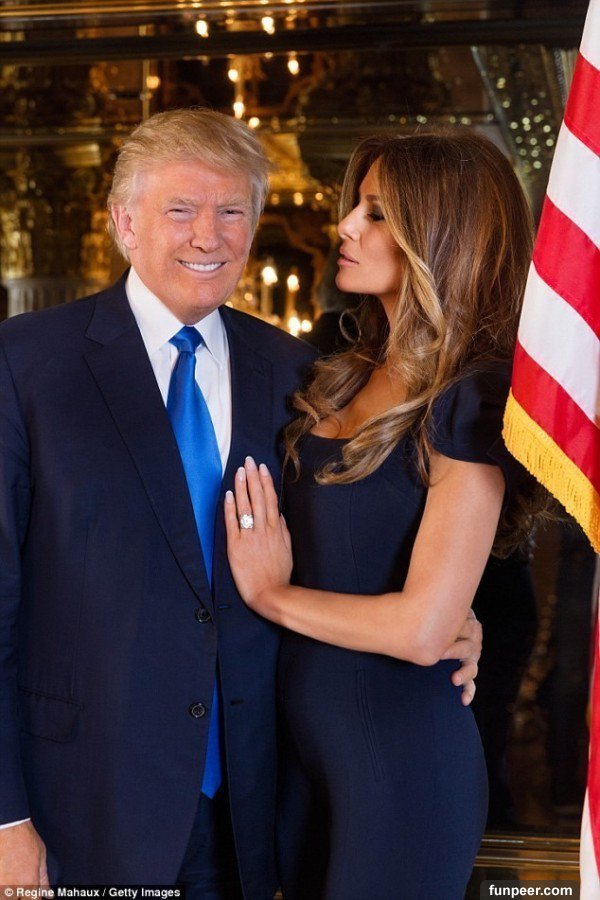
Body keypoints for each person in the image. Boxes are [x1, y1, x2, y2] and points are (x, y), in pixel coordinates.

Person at [0, 110, 481, 896]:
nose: (209, 235)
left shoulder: (303, 374)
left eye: (232, 211)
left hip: (261, 811)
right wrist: (5, 821)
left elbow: (351, 531)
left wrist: (450, 613)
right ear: (124, 222)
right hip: (85, 809)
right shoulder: (25, 365)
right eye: (180, 209)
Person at [225, 130, 543, 899]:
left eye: (376, 214)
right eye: (356, 207)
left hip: (401, 764)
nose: (344, 226)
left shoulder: (471, 397)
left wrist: (270, 594)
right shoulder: (335, 371)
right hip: (303, 754)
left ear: (440, 236)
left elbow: (424, 630)